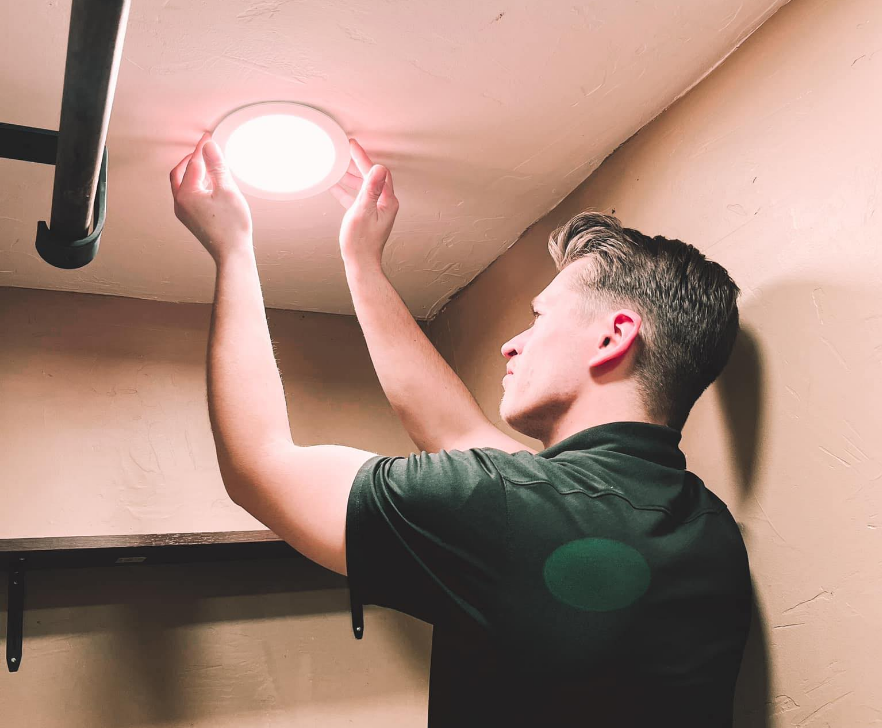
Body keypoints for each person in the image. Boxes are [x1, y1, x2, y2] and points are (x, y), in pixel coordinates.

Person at [170, 132, 752, 727]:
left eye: (537, 319)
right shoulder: (705, 527)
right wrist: (362, 263)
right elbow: (455, 431)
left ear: (612, 337)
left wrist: (231, 247)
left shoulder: (508, 505)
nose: (512, 344)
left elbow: (260, 464)